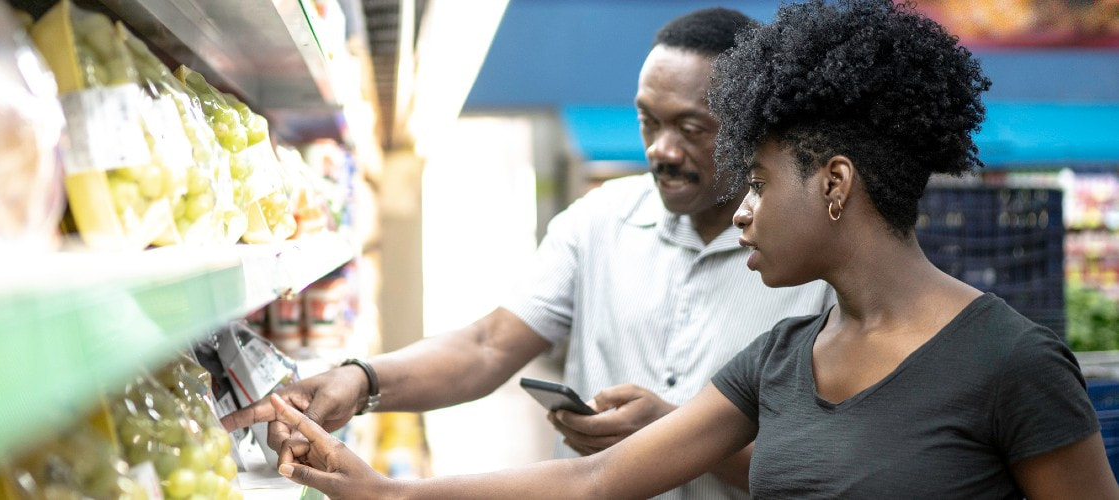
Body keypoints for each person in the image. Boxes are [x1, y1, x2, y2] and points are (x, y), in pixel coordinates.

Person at [251, 0, 1119, 497]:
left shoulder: (1011, 364)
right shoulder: (781, 361)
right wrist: (383, 491)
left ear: (835, 185)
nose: (744, 210)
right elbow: (590, 485)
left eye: (760, 182)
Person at [221, 7, 834, 499]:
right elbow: (488, 346)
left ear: (751, 127)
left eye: (692, 129)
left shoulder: (812, 267)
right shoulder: (599, 221)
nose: (661, 150)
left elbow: (824, 464)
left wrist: (673, 432)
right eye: (648, 122)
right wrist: (362, 380)